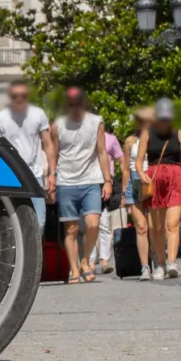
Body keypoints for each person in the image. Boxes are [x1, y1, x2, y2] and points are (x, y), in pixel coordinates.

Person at [50, 88, 113, 284]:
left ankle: (86, 261)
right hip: (66, 181)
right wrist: (51, 177)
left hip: (91, 179)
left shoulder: (96, 122)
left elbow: (102, 152)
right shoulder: (58, 125)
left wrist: (107, 180)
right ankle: (75, 270)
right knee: (71, 229)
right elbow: (54, 153)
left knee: (93, 223)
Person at [135, 98, 181, 279]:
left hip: (175, 179)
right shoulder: (147, 134)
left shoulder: (179, 134)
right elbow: (139, 162)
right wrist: (141, 174)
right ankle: (159, 263)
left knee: (172, 224)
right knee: (156, 227)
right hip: (155, 179)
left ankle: (172, 262)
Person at [0, 80, 56, 231]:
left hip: (35, 174)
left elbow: (48, 144)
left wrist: (53, 174)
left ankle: (33, 254)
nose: (19, 99)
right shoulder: (0, 118)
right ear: (10, 96)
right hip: (11, 175)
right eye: (15, 96)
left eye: (22, 95)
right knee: (14, 221)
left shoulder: (38, 114)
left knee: (39, 222)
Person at [122, 107, 155, 281]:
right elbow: (126, 168)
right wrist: (123, 194)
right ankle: (145, 266)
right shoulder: (130, 140)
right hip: (135, 181)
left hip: (152, 179)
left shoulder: (157, 138)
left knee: (153, 225)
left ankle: (158, 260)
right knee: (141, 226)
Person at [89, 129, 123, 274]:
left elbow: (121, 159)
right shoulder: (85, 137)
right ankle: (90, 262)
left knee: (103, 223)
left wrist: (123, 182)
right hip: (88, 182)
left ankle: (104, 260)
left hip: (105, 183)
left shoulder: (111, 139)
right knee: (89, 224)